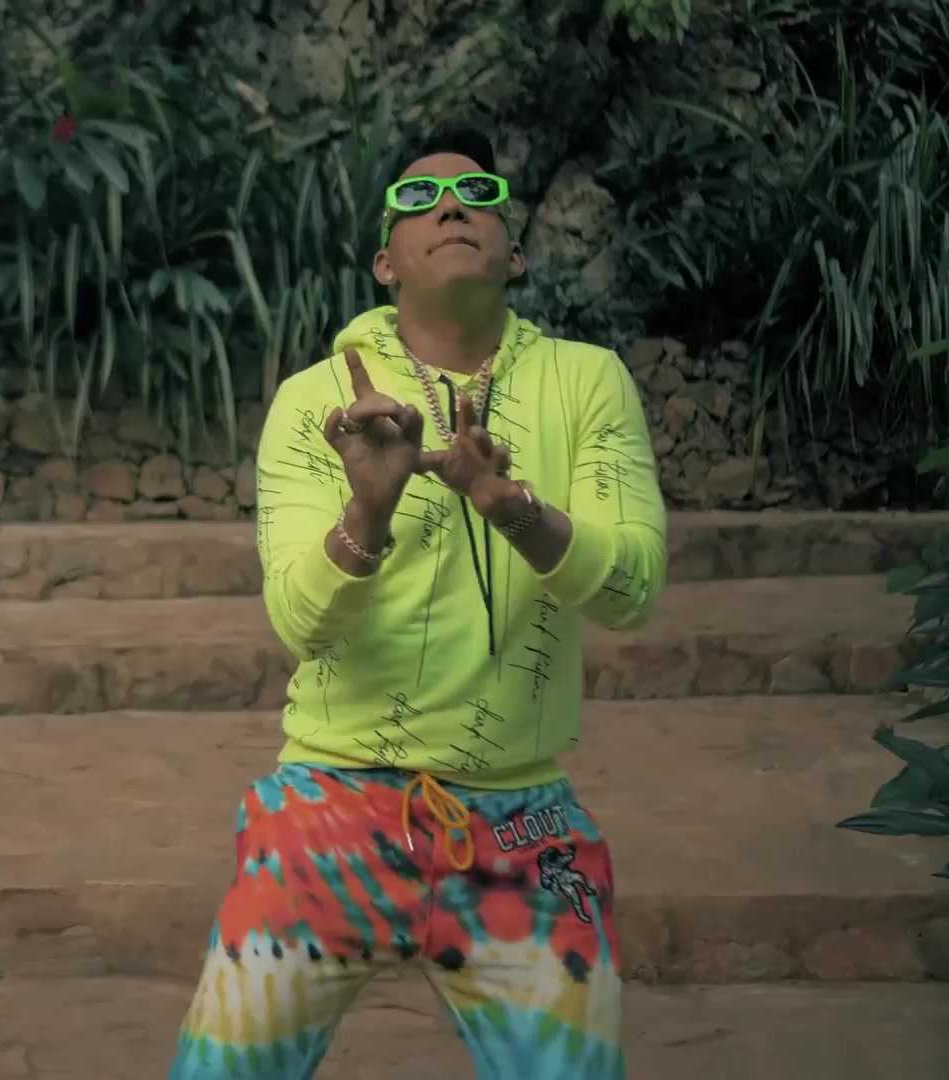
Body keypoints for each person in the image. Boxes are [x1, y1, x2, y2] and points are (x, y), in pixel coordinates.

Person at [167, 130, 668, 1080]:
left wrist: (513, 511)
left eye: (478, 194)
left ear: (514, 254)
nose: (450, 205)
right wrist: (369, 508)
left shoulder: (588, 382)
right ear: (384, 263)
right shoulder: (316, 403)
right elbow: (301, 622)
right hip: (329, 805)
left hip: (520, 823)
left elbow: (633, 590)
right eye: (418, 197)